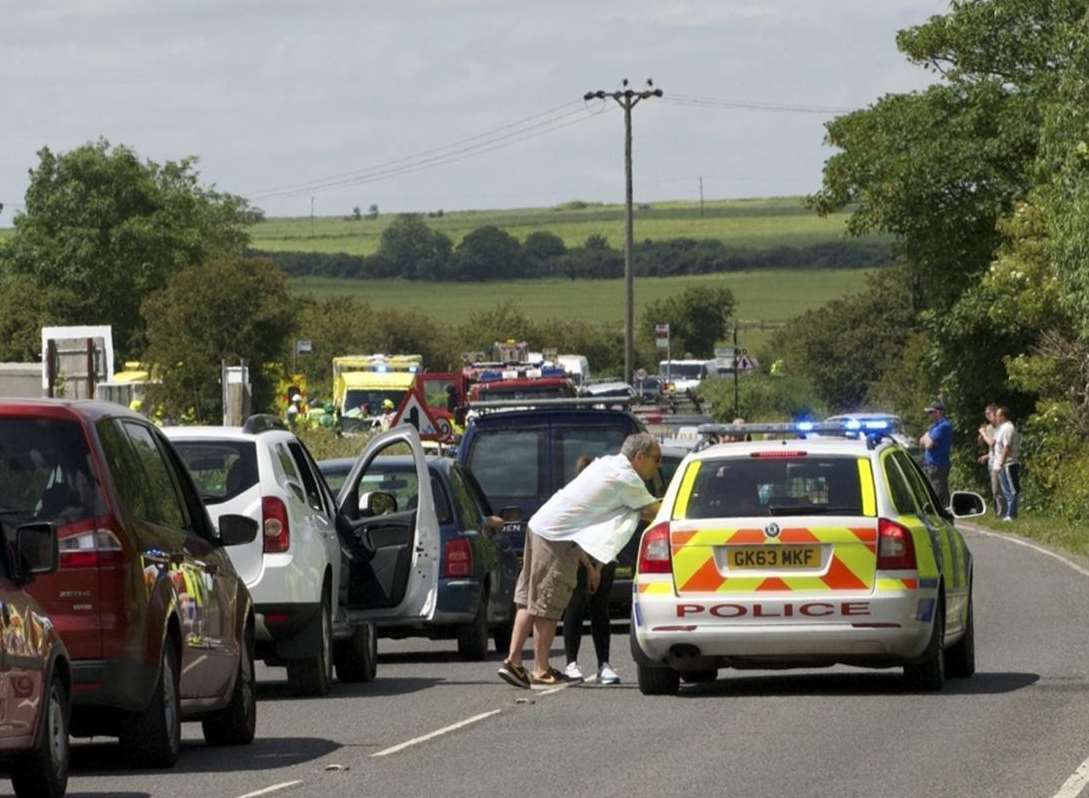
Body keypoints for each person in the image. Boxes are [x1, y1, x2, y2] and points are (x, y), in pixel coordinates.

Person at [498, 433, 662, 689]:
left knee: (529, 599)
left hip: (542, 526)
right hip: (556, 536)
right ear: (639, 457)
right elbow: (655, 512)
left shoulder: (608, 463)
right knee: (547, 604)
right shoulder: (626, 478)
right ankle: (540, 670)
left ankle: (513, 661)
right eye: (656, 458)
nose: (658, 465)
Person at [562, 455, 621, 685]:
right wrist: (588, 566)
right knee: (575, 607)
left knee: (601, 610)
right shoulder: (574, 502)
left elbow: (612, 535)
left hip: (604, 559)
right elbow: (573, 537)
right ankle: (571, 664)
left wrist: (598, 567)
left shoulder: (609, 501)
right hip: (579, 560)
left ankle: (604, 665)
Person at [919, 399, 953, 508]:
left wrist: (927, 435)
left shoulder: (944, 426)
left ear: (938, 412)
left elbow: (928, 444)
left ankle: (942, 510)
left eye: (931, 412)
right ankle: (941, 509)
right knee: (933, 489)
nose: (929, 415)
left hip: (938, 464)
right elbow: (921, 441)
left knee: (938, 490)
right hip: (931, 464)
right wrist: (927, 436)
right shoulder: (934, 426)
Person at [976, 404, 1005, 518]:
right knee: (995, 489)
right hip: (992, 461)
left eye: (989, 413)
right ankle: (999, 512)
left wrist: (984, 433)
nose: (987, 416)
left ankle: (1002, 513)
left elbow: (992, 443)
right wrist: (986, 455)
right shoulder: (989, 427)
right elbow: (985, 445)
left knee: (998, 489)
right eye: (986, 414)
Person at [993, 406, 1021, 521]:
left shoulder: (1008, 428)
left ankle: (1011, 514)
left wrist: (1001, 463)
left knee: (1011, 489)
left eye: (998, 415)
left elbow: (1006, 448)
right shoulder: (1001, 428)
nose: (996, 417)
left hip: (1008, 463)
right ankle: (1009, 513)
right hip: (1003, 463)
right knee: (1005, 490)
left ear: (1003, 416)